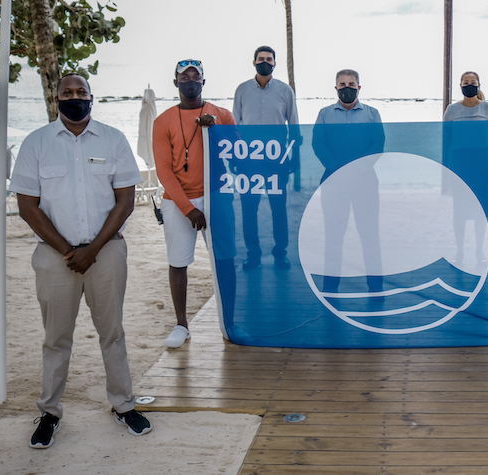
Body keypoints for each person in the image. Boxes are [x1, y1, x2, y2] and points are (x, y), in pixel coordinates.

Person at [10, 73, 151, 449]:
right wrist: (68, 251)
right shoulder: (36, 143)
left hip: (106, 252)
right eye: (67, 93)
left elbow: (126, 201)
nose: (75, 97)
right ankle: (50, 412)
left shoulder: (113, 139)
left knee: (113, 333)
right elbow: (28, 206)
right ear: (57, 100)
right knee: (56, 339)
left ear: (92, 98)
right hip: (55, 257)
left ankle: (123, 405)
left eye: (81, 92)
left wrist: (93, 249)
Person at [153, 60, 237, 349]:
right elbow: (164, 171)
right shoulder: (162, 121)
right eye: (184, 77)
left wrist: (216, 132)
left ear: (204, 82)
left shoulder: (223, 114)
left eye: (196, 76)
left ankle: (232, 319)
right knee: (178, 262)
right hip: (178, 201)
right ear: (175, 83)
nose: (190, 80)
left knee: (225, 258)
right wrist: (188, 208)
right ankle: (181, 324)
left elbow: (239, 153)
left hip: (217, 197)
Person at [311, 69, 385, 293]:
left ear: (359, 88)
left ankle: (375, 287)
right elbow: (318, 144)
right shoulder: (324, 114)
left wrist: (359, 169)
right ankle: (330, 288)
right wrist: (338, 169)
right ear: (336, 88)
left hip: (366, 182)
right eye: (342, 84)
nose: (347, 88)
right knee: (334, 235)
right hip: (333, 182)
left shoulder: (372, 114)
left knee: (369, 235)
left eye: (351, 84)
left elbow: (377, 145)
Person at [232, 46, 300, 270]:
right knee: (249, 209)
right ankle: (253, 255)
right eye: (261, 59)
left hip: (276, 161)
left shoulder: (285, 90)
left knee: (278, 208)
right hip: (248, 161)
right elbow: (235, 125)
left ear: (274, 63)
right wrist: (234, 156)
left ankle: (281, 254)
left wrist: (294, 159)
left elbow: (295, 126)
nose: (265, 62)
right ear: (254, 62)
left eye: (269, 59)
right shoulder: (242, 90)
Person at [442, 71, 488, 262]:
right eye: (466, 82)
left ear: (479, 85)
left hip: (482, 160)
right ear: (460, 85)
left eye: (472, 82)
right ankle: (459, 250)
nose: (469, 85)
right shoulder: (451, 110)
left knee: (481, 209)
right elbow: (448, 137)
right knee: (460, 208)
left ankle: (479, 250)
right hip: (459, 161)